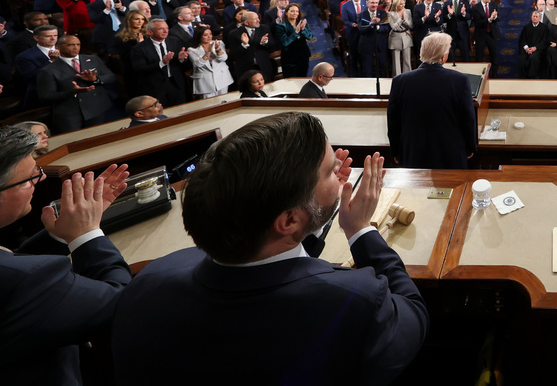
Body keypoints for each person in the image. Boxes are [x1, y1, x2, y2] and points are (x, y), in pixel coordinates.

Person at [110, 112, 429, 384]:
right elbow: (413, 315)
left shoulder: (148, 283)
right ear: (288, 219)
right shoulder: (357, 300)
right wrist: (359, 230)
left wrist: (313, 213)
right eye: (332, 171)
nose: (342, 175)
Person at [0, 128, 130, 384]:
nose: (42, 178)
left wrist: (59, 236)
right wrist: (87, 234)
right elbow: (124, 304)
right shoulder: (21, 283)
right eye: (27, 179)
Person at [388, 33, 477, 168]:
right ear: (443, 56)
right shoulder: (459, 81)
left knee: (414, 189)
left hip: (413, 154)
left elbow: (393, 122)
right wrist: (470, 146)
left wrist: (396, 150)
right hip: (450, 154)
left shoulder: (400, 81)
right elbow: (467, 119)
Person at [36, 34, 116, 133]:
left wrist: (95, 79)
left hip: (96, 108)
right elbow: (46, 96)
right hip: (70, 113)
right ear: (58, 47)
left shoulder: (93, 59)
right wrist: (72, 92)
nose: (75, 48)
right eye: (70, 45)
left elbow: (110, 77)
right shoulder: (48, 70)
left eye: (78, 44)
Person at [187, 26, 232, 98]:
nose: (209, 37)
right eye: (205, 35)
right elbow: (198, 64)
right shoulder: (192, 50)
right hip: (205, 82)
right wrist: (208, 52)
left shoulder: (219, 43)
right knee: (209, 105)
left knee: (224, 101)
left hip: (222, 79)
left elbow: (223, 58)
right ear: (199, 36)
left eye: (210, 34)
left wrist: (218, 50)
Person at [357, 0, 390, 78]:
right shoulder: (361, 15)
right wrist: (371, 25)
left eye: (376, 3)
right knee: (367, 68)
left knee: (382, 66)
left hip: (380, 45)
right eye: (372, 3)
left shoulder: (383, 13)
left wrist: (378, 27)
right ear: (367, 4)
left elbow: (387, 28)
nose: (374, 5)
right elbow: (361, 30)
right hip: (367, 45)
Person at [388, 0, 413, 75]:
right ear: (396, 5)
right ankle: (397, 77)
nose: (403, 6)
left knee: (407, 59)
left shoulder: (408, 11)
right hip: (395, 37)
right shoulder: (390, 14)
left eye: (404, 4)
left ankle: (408, 76)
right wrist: (400, 19)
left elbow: (411, 25)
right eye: (401, 4)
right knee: (396, 61)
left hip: (406, 36)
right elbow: (394, 27)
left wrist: (404, 20)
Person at [519, 10, 549, 78]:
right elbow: (523, 40)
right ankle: (523, 78)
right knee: (522, 58)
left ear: (540, 18)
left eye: (536, 16)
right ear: (531, 17)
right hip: (527, 49)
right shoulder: (527, 27)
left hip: (538, 50)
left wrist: (535, 48)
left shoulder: (544, 28)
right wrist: (526, 48)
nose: (535, 18)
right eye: (533, 16)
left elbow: (545, 41)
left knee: (533, 58)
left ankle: (532, 77)